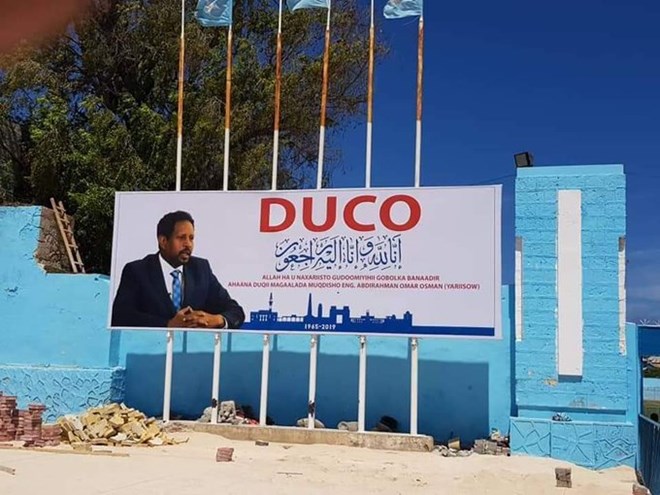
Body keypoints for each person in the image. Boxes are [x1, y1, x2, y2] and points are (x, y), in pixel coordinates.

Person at [111, 210, 245, 329]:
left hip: (191, 348)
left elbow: (236, 311)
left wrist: (217, 320)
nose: (188, 244)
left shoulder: (201, 269)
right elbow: (120, 316)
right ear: (163, 241)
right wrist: (167, 324)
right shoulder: (137, 271)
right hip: (151, 348)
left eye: (191, 238)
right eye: (181, 238)